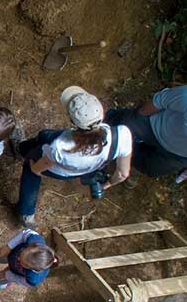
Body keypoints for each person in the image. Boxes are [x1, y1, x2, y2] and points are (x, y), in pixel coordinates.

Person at [13, 88, 133, 228]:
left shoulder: (60, 145)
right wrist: (107, 184)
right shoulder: (123, 135)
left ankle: (26, 212)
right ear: (101, 112)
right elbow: (123, 173)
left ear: (73, 122)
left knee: (30, 169)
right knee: (44, 135)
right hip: (78, 170)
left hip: (55, 166)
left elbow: (43, 164)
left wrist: (34, 168)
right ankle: (25, 147)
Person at [0, 229, 56, 296]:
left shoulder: (33, 279)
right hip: (11, 253)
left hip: (16, 272)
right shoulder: (34, 240)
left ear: (35, 269)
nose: (19, 259)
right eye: (23, 253)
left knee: (0, 279)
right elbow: (25, 233)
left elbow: (22, 281)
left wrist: (8, 275)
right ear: (32, 245)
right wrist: (9, 246)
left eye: (24, 264)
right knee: (0, 255)